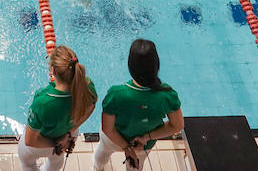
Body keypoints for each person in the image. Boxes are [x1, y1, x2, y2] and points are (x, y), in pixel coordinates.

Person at [93, 39, 183, 171]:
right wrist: (146, 137)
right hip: (142, 144)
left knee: (102, 154)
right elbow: (177, 125)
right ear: (156, 65)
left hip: (113, 139)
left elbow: (108, 129)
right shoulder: (168, 95)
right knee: (136, 167)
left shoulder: (116, 94)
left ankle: (97, 168)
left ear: (131, 66)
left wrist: (126, 148)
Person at [19, 45, 97, 171]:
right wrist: (68, 134)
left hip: (44, 143)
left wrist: (57, 143)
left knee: (27, 163)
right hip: (67, 139)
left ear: (53, 71)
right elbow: (91, 107)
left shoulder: (43, 100)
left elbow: (30, 140)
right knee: (55, 163)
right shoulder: (87, 86)